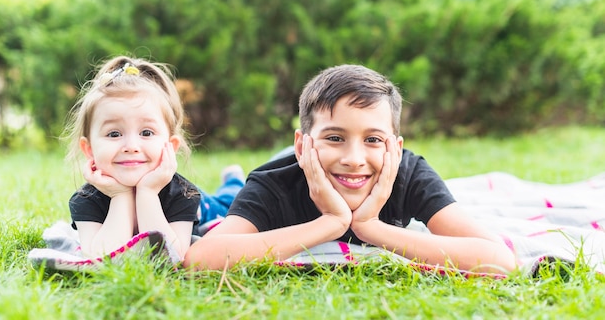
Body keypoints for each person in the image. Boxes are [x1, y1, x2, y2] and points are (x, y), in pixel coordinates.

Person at [185, 64, 517, 273]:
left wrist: (372, 227)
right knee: (228, 198)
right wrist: (330, 223)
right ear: (303, 145)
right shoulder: (274, 182)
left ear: (395, 149)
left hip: (320, 164)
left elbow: (499, 259)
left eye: (373, 139)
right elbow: (201, 258)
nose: (354, 158)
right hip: (292, 167)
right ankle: (233, 178)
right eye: (335, 137)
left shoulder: (409, 173)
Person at [63, 55, 243, 259]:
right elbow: (100, 257)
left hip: (207, 207)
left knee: (233, 201)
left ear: (171, 146)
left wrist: (148, 193)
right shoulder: (86, 199)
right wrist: (120, 195)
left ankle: (234, 181)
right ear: (89, 149)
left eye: (146, 133)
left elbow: (171, 257)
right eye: (114, 134)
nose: (131, 147)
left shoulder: (183, 194)